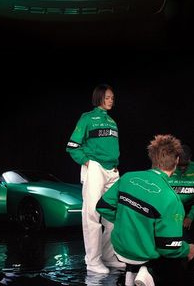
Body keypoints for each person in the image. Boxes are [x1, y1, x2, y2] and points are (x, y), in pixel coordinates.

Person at [96, 134, 194, 286]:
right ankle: (149, 273)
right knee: (181, 252)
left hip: (120, 249)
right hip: (143, 254)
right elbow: (169, 247)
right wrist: (187, 249)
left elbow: (102, 207)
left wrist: (127, 222)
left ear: (152, 158)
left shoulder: (127, 177)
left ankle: (132, 271)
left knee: (143, 229)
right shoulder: (171, 199)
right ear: (176, 161)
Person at [66, 84, 125, 274]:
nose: (111, 100)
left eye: (112, 97)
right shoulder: (87, 118)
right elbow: (73, 145)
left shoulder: (112, 121)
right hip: (95, 168)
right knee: (92, 214)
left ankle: (108, 255)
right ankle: (92, 261)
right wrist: (87, 162)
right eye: (107, 97)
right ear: (99, 97)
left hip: (112, 170)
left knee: (113, 214)